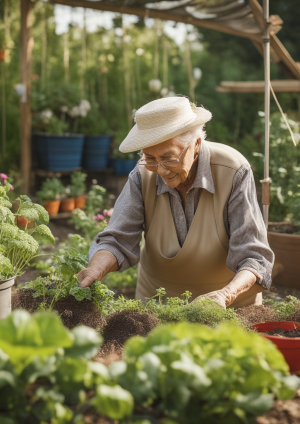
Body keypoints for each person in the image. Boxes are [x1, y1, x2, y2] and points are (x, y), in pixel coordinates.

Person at [77, 97, 274, 309]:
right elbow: (117, 240)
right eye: (150, 158)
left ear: (196, 144)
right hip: (158, 305)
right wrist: (96, 270)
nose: (161, 170)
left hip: (228, 305)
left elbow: (253, 256)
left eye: (169, 158)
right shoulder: (142, 175)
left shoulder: (233, 171)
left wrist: (225, 295)